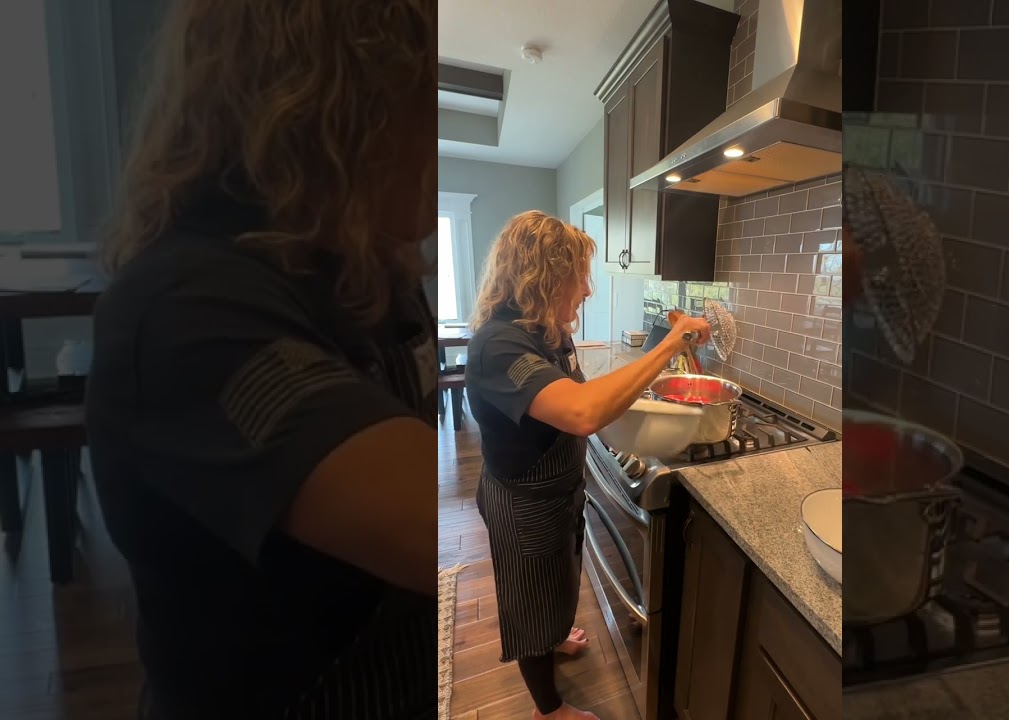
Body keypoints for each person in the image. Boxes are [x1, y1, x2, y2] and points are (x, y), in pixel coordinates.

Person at [85, 2, 440, 718]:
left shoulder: (368, 274)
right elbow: (430, 527)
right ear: (353, 98)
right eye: (429, 93)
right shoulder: (184, 309)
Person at [464, 211, 711, 719]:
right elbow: (581, 412)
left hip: (558, 491)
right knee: (531, 605)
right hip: (524, 503)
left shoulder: (549, 332)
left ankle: (553, 636)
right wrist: (671, 344)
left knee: (558, 583)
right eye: (578, 276)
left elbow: (576, 395)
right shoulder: (498, 345)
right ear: (544, 276)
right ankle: (549, 709)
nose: (587, 290)